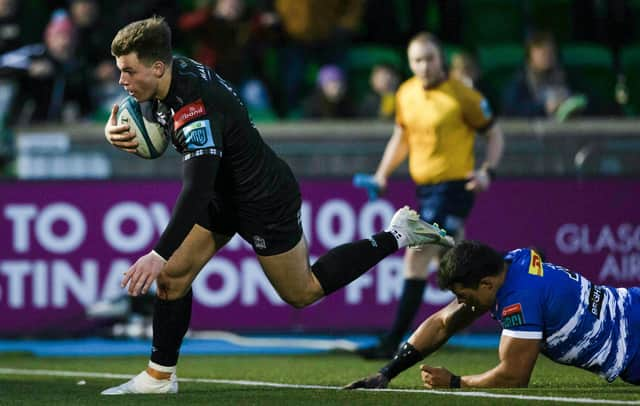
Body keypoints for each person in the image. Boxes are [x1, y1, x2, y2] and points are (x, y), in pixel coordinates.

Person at [99, 16, 454, 395]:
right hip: (225, 193)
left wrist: (158, 252)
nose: (122, 81)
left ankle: (397, 233)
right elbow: (156, 111)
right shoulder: (173, 69)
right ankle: (158, 378)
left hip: (263, 198)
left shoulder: (195, 109)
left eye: (128, 72)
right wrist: (112, 128)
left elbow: (196, 189)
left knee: (302, 291)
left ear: (156, 66)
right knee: (172, 279)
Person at [356, 32, 504, 360]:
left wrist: (486, 171)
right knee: (457, 261)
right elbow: (401, 136)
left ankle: (393, 340)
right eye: (417, 60)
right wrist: (382, 173)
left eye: (429, 59)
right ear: (410, 63)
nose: (423, 66)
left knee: (417, 252)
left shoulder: (462, 94)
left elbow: (494, 134)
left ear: (441, 60)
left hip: (454, 187)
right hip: (426, 190)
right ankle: (515, 272)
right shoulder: (406, 93)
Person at [345, 240, 640, 389]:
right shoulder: (511, 261)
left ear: (485, 284)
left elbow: (514, 376)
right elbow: (442, 323)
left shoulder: (518, 302)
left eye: (463, 295)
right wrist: (387, 373)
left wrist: (456, 382)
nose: (461, 303)